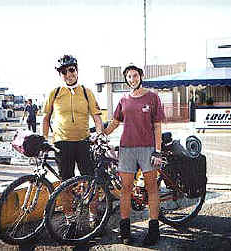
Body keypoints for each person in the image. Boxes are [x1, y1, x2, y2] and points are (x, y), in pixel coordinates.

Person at [103, 64, 165, 246]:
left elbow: (157, 126)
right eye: (129, 77)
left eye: (135, 76)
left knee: (151, 188)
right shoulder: (123, 99)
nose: (132, 79)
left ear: (141, 76)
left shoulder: (152, 97)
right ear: (126, 79)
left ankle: (154, 231)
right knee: (126, 190)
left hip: (147, 148)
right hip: (127, 149)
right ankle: (125, 231)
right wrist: (102, 132)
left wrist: (158, 151)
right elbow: (115, 122)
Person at [42, 54, 103, 229]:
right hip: (62, 143)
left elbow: (97, 117)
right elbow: (45, 119)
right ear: (59, 74)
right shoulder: (54, 93)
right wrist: (45, 141)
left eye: (71, 70)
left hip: (83, 142)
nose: (69, 74)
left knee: (91, 181)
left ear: (77, 70)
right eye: (64, 71)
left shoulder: (86, 91)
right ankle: (70, 221)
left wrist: (99, 134)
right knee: (65, 184)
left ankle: (93, 218)